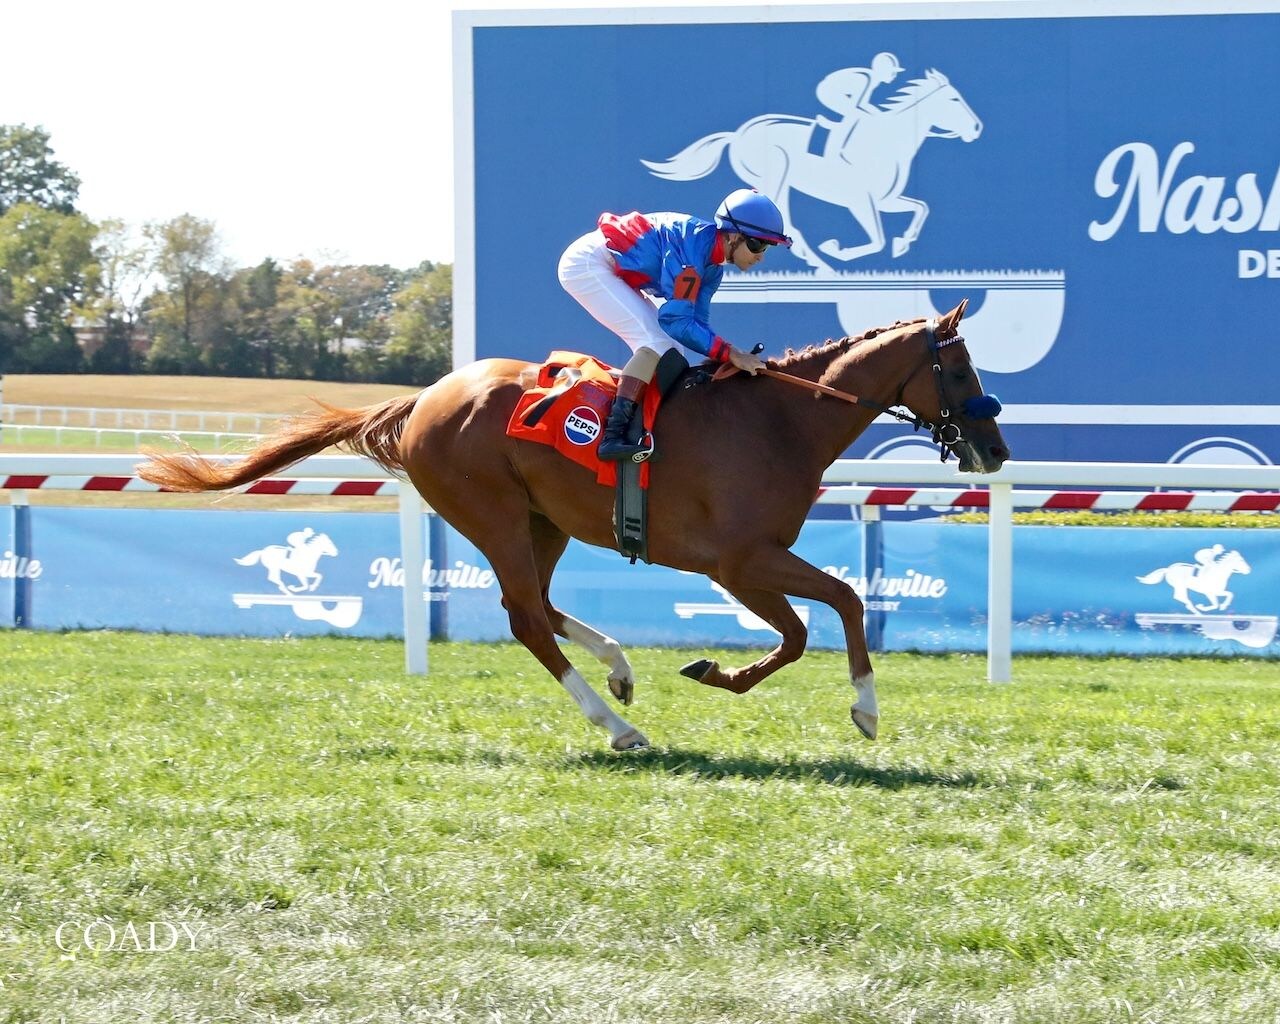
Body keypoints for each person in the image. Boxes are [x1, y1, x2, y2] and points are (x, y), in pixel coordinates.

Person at [557, 188, 791, 460]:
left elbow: (695, 326)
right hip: (587, 264)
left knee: (671, 352)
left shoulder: (712, 269)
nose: (761, 255)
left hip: (613, 266)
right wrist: (731, 354)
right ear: (733, 237)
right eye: (757, 245)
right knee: (655, 343)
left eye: (767, 248)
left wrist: (726, 358)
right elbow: (676, 322)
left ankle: (643, 426)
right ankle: (613, 435)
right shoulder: (692, 256)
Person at [814, 52, 904, 162]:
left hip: (834, 91)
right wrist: (879, 115)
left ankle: (838, 128)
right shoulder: (867, 79)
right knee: (857, 114)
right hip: (828, 91)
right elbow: (858, 105)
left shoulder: (873, 79)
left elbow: (862, 104)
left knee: (861, 115)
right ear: (883, 70)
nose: (894, 76)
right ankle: (832, 128)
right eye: (892, 72)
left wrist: (878, 115)